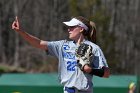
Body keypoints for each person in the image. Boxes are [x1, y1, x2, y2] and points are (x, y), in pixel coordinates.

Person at [12, 16, 110, 93]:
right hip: (68, 90)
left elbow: (106, 73)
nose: (69, 29)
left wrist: (90, 70)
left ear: (81, 29)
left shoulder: (94, 48)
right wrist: (20, 31)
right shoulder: (63, 45)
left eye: (72, 27)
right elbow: (39, 43)